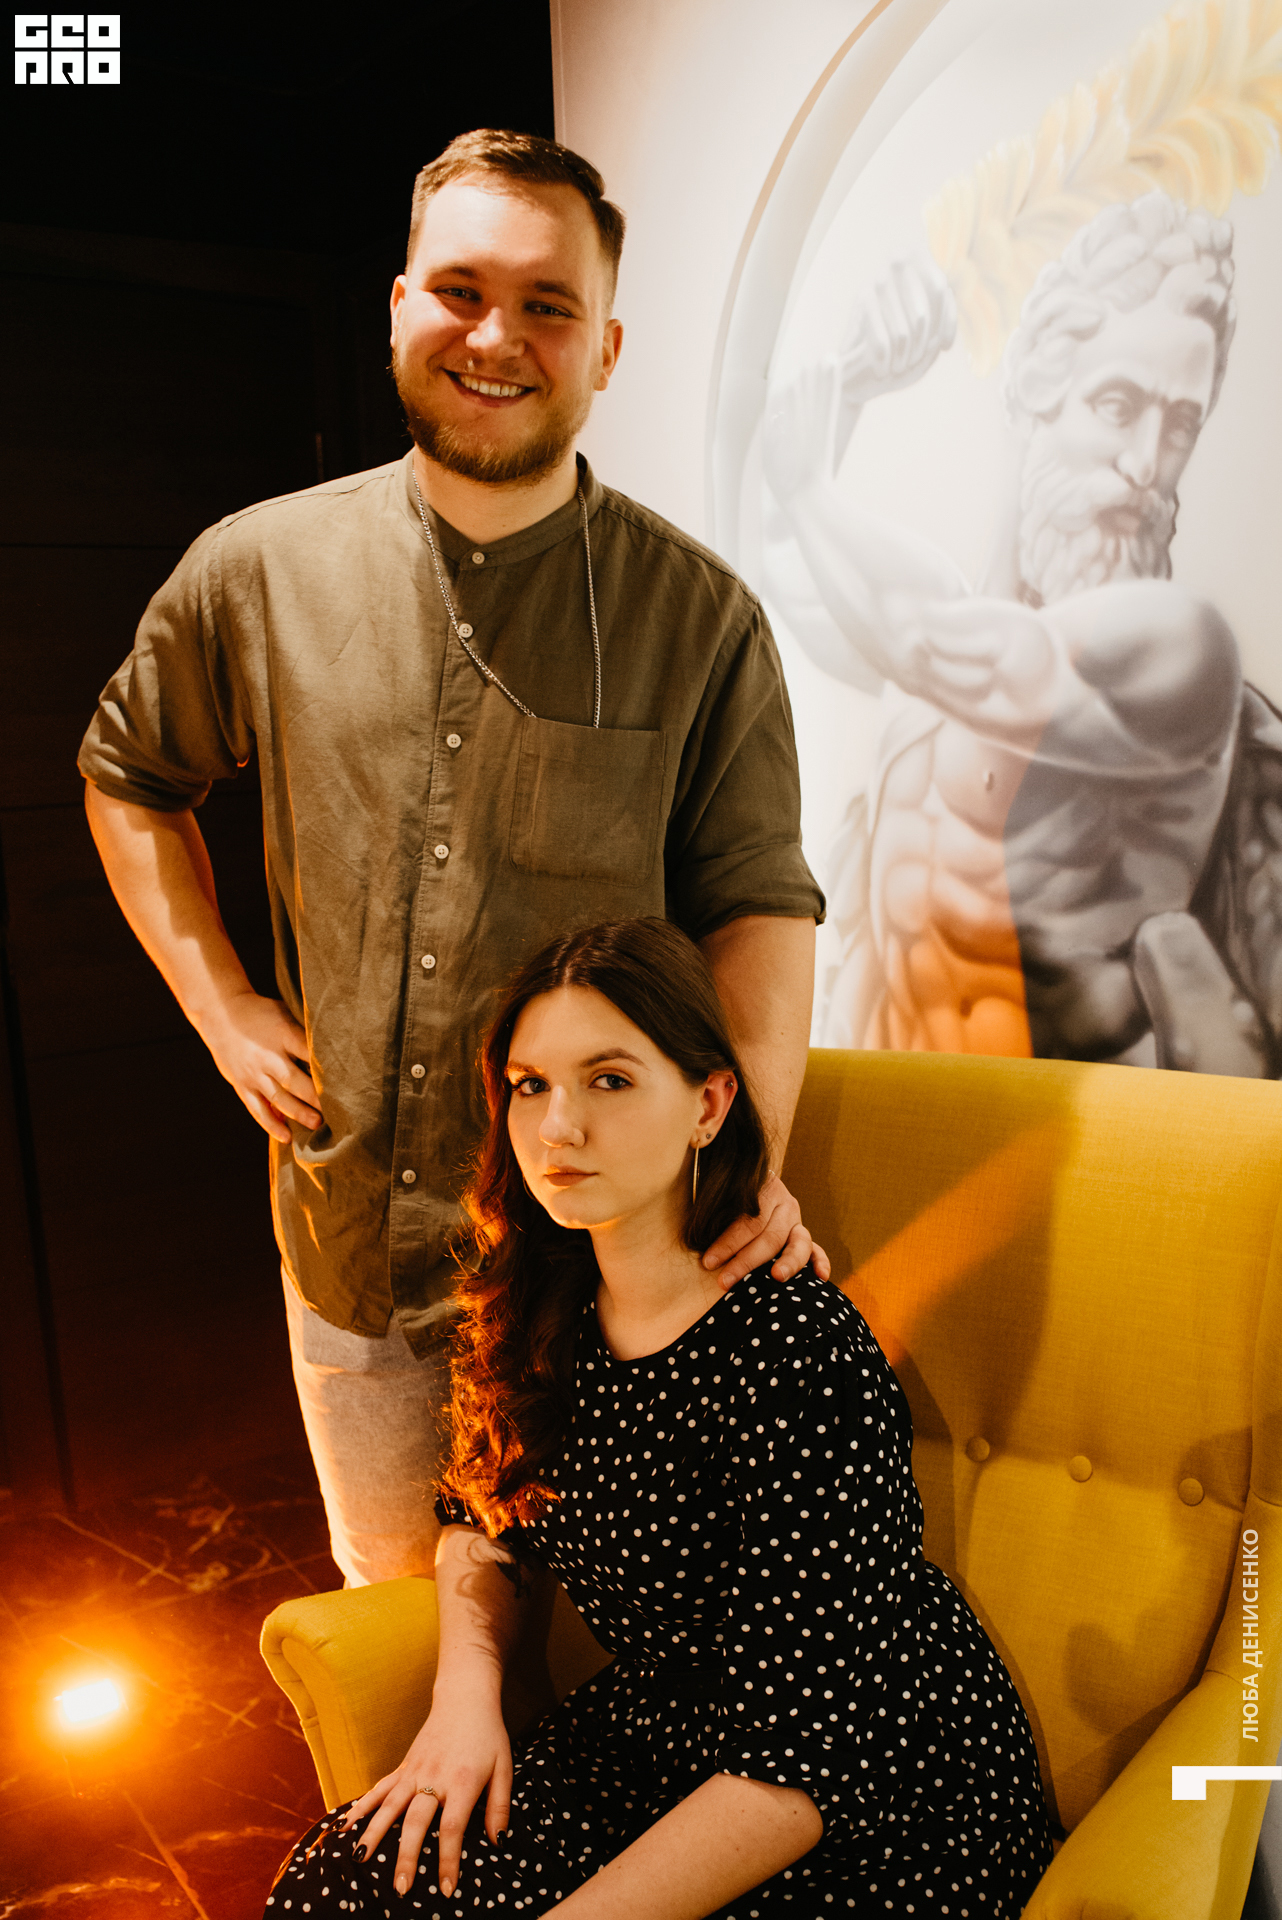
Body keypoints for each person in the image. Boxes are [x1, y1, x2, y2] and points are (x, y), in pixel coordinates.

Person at [78, 130, 827, 1586]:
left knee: (617, 1652)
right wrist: (222, 1007)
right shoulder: (254, 569)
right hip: (353, 1255)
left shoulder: (699, 617)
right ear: (399, 308)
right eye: (462, 292)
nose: (496, 338)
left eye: (547, 305)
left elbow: (755, 903)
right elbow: (129, 779)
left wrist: (740, 1164)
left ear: (604, 347)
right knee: (397, 1639)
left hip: (605, 1269)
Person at [264, 917, 1053, 1917]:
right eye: (530, 1085)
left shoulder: (797, 1354)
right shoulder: (537, 1306)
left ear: (708, 1104)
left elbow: (800, 1759)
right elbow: (480, 1512)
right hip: (660, 1738)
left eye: (609, 1079)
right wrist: (464, 1700)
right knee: (340, 1886)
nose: (558, 1127)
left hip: (870, 1786)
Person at [764, 190, 1281, 1076]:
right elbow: (783, 569)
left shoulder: (1180, 653)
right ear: (1034, 395)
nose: (1147, 464)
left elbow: (917, 632)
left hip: (1098, 1132)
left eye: (1180, 424)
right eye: (1118, 405)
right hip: (909, 1120)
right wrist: (849, 384)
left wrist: (809, 484)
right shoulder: (936, 649)